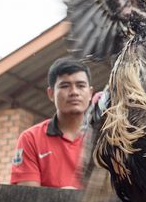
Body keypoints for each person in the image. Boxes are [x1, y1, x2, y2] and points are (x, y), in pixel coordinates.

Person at [10, 57, 93, 188]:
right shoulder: (31, 138)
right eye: (65, 86)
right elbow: (26, 199)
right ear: (50, 93)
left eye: (81, 86)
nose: (74, 92)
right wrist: (62, 199)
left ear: (90, 93)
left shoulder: (106, 138)